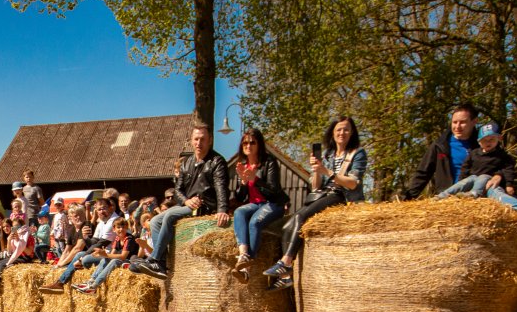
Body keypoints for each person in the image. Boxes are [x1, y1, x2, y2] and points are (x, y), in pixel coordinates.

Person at [262, 116, 368, 290]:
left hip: (342, 196)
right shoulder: (327, 154)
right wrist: (317, 170)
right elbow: (316, 186)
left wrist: (327, 171)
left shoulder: (357, 153)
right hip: (324, 194)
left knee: (301, 217)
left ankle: (286, 262)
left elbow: (352, 183)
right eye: (338, 129)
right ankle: (286, 277)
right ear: (332, 133)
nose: (342, 133)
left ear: (352, 132)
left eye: (346, 129)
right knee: (287, 226)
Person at [129, 123, 228, 279]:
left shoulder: (217, 161)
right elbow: (177, 190)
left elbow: (221, 187)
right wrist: (186, 201)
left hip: (205, 205)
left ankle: (155, 259)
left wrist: (222, 210)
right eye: (196, 139)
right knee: (154, 221)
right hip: (188, 204)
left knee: (169, 216)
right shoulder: (187, 163)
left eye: (203, 139)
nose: (199, 143)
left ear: (210, 140)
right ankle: (160, 263)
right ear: (191, 141)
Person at [222, 128, 288, 272]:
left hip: (273, 203)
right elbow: (240, 197)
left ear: (259, 145)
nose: (248, 146)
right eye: (245, 143)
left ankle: (246, 267)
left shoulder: (269, 162)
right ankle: (243, 255)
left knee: (254, 222)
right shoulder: (243, 164)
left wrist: (255, 180)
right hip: (255, 204)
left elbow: (274, 191)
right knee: (239, 212)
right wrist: (243, 183)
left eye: (252, 143)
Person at [402, 104, 479, 200]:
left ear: (474, 121)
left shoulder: (483, 145)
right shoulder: (440, 145)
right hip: (445, 198)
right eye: (454, 122)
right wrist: (408, 198)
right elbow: (423, 173)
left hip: (472, 197)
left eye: (462, 122)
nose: (457, 126)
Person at [58, 215, 137, 295]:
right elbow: (111, 254)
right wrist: (101, 255)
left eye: (123, 227)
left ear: (127, 228)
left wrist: (105, 254)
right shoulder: (117, 238)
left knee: (114, 261)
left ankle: (94, 286)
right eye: (118, 227)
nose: (121, 229)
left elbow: (123, 256)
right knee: (105, 259)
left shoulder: (129, 239)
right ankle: (90, 281)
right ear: (114, 229)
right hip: (121, 260)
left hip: (130, 262)